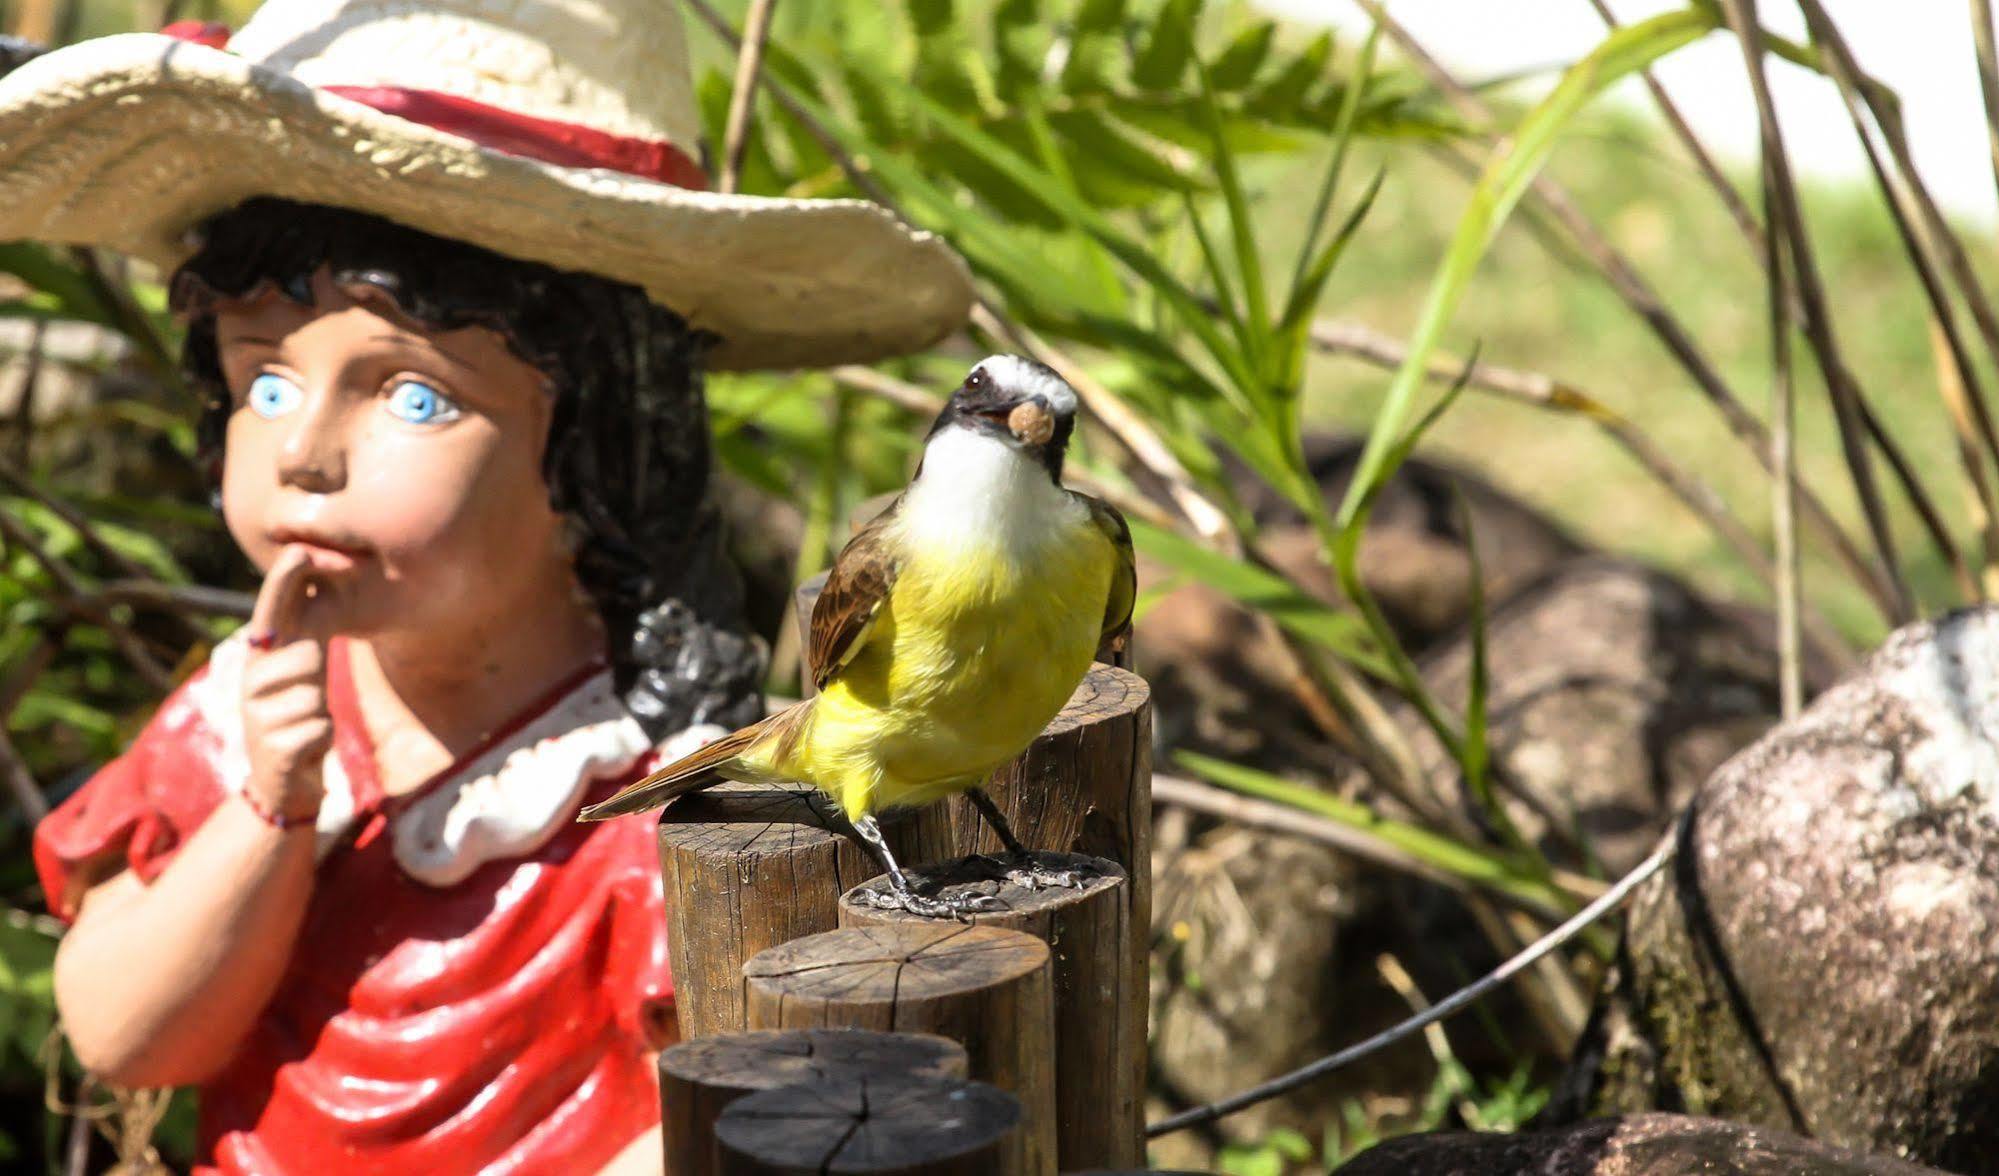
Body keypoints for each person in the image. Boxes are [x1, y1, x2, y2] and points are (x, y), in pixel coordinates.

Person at [0, 1, 972, 1171]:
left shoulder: (655, 823)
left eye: (414, 396)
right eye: (265, 382)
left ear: (597, 457)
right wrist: (268, 812)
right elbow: (124, 1038)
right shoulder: (232, 727)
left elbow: (717, 1126)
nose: (303, 450)